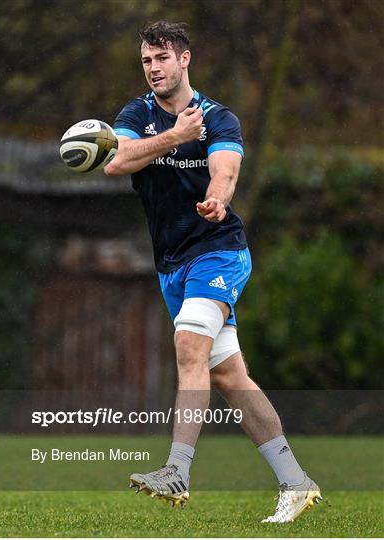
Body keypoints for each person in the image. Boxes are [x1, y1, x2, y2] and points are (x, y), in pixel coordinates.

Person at [104, 20, 321, 523]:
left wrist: (217, 201)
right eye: (145, 61)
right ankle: (296, 481)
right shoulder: (137, 113)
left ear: (184, 59)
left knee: (188, 345)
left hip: (219, 250)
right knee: (228, 375)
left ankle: (177, 469)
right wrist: (174, 137)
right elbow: (117, 162)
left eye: (161, 58)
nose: (153, 68)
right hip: (171, 263)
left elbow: (225, 171)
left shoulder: (219, 117)